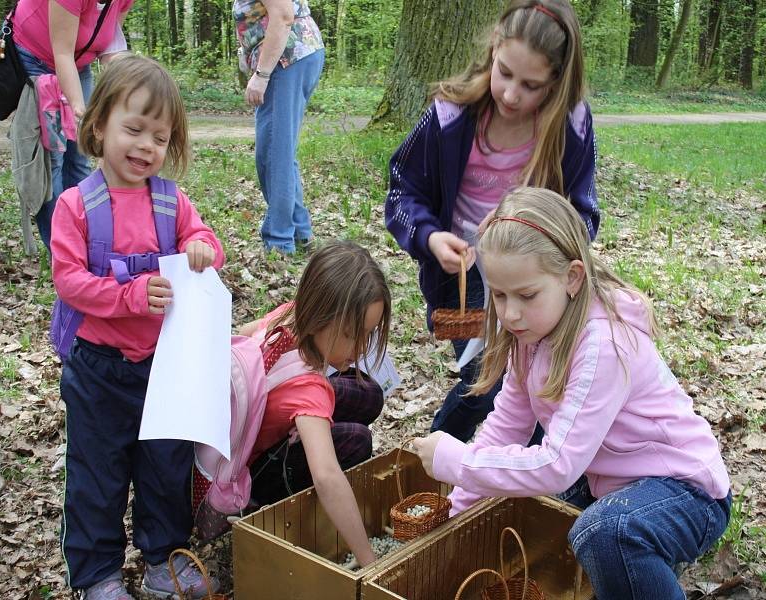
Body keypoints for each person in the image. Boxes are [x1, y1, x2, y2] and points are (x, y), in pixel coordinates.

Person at [412, 188, 732, 600]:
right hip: (609, 482)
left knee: (602, 533)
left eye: (526, 295)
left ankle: (636, 559)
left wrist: (455, 460)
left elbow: (558, 464)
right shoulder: (530, 334)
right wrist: (456, 517)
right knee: (538, 512)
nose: (509, 313)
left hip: (686, 494)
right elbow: (506, 428)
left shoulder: (602, 343)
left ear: (572, 277)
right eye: (499, 294)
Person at [385, 0, 599, 443]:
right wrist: (430, 237)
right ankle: (437, 459)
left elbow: (583, 213)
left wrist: (553, 256)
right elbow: (402, 190)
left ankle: (532, 479)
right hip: (465, 275)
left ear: (557, 82)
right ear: (493, 49)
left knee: (544, 383)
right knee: (488, 379)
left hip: (537, 272)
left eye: (531, 85)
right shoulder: (451, 115)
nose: (511, 94)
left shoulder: (570, 126)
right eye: (504, 73)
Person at [51, 55, 224, 599]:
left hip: (163, 367)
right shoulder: (76, 206)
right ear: (99, 125)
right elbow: (70, 282)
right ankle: (97, 573)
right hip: (99, 369)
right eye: (133, 129)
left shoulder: (172, 205)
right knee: (97, 473)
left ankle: (161, 559)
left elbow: (208, 243)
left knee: (164, 467)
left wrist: (200, 248)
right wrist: (128, 297)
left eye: (159, 136)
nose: (145, 146)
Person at [236, 240, 390, 566]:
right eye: (351, 334)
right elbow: (327, 476)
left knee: (369, 394)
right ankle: (267, 501)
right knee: (356, 439)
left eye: (369, 334)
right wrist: (370, 561)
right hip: (253, 472)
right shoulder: (309, 389)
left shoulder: (290, 313)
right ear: (321, 316)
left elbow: (243, 334)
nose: (361, 347)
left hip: (251, 427)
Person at [12, 0, 132, 252]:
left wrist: (127, 89)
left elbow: (111, 47)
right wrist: (81, 112)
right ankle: (62, 250)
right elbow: (62, 53)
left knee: (79, 155)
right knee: (53, 158)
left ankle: (88, 241)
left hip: (79, 62)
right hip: (38, 58)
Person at [234, 0, 325, 255]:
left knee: (274, 155)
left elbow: (284, 16)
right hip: (291, 57)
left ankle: (280, 242)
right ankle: (299, 232)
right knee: (280, 151)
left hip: (287, 59)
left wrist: (262, 75)